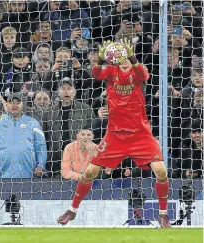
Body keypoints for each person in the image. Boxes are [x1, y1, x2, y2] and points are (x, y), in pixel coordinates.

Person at [57, 39, 171, 228]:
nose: (123, 60)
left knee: (160, 170)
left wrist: (132, 57)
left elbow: (144, 74)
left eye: (126, 56)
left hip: (140, 134)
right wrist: (100, 59)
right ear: (115, 59)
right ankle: (72, 210)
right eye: (121, 57)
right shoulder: (111, 72)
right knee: (90, 171)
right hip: (115, 135)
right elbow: (95, 73)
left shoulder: (137, 71)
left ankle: (163, 214)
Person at [0, 93, 47, 178]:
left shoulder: (33, 123)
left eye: (17, 102)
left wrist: (41, 166)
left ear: (22, 104)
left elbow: (41, 147)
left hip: (29, 178)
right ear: (6, 105)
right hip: (2, 178)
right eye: (11, 102)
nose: (14, 105)